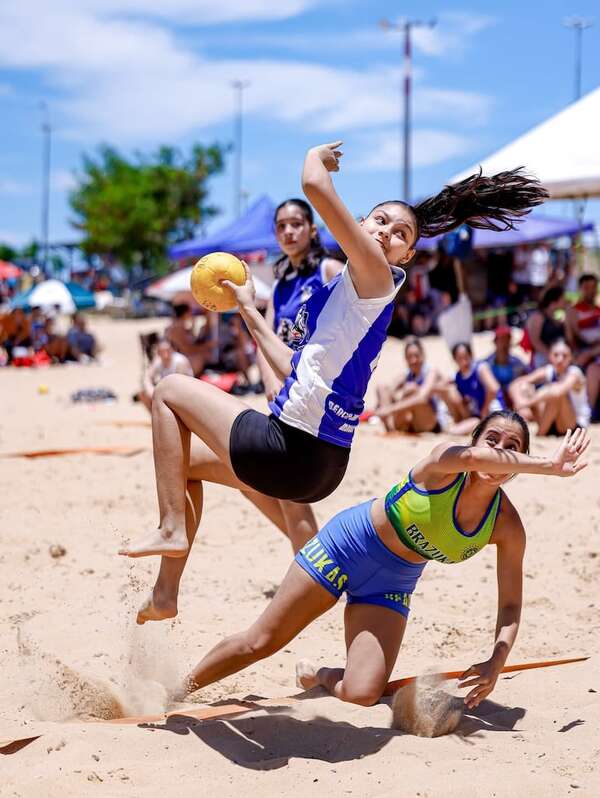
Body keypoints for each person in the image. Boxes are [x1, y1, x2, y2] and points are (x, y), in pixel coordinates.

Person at [119, 140, 547, 564]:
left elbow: (314, 184)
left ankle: (173, 527)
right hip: (320, 462)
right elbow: (294, 366)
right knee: (184, 466)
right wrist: (248, 308)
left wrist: (315, 158)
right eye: (380, 221)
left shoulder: (377, 276)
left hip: (295, 447)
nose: (386, 233)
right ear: (362, 223)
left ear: (409, 255)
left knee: (170, 389)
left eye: (400, 234)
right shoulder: (349, 293)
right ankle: (165, 593)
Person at [176, 413, 589, 710]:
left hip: (392, 580)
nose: (499, 451)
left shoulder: (506, 524)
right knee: (260, 642)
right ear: (474, 443)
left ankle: (319, 674)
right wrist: (550, 466)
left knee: (362, 694)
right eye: (492, 440)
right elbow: (470, 460)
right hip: (348, 544)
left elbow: (512, 605)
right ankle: (176, 691)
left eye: (512, 448)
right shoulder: (443, 463)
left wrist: (497, 661)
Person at [509, 339, 591, 436]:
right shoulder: (549, 370)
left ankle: (540, 434)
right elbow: (515, 384)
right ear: (550, 356)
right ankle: (541, 430)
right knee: (526, 387)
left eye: (564, 356)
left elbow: (558, 391)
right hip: (552, 422)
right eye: (556, 355)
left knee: (556, 395)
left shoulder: (574, 373)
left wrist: (526, 403)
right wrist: (519, 401)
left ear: (570, 358)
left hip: (573, 426)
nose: (560, 359)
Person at [374, 337, 447, 432]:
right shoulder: (407, 374)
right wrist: (381, 405)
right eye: (410, 357)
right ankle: (390, 427)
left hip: (433, 422)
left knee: (411, 389)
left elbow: (422, 397)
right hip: (414, 420)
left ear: (423, 355)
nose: (413, 360)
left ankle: (391, 425)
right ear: (405, 359)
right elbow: (389, 389)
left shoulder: (431, 372)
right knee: (382, 387)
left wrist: (389, 409)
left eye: (416, 356)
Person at [443, 341, 505, 435]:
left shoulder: (480, 368)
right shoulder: (458, 376)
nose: (464, 362)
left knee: (456, 431)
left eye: (466, 357)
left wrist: (484, 410)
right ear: (455, 360)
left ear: (471, 356)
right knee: (452, 392)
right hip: (477, 415)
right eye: (460, 358)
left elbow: (494, 389)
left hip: (492, 412)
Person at [138, 338, 193, 412]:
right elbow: (147, 377)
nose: (165, 354)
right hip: (168, 389)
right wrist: (150, 390)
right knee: (143, 394)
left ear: (173, 350)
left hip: (184, 391)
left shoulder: (180, 362)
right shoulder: (158, 361)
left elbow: (180, 385)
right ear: (158, 352)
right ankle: (156, 418)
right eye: (162, 351)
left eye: (167, 350)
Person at [165, 302, 214, 377]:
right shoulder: (178, 327)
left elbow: (191, 341)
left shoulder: (179, 324)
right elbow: (186, 349)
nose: (192, 313)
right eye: (190, 311)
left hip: (181, 356)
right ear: (185, 313)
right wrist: (206, 347)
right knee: (204, 356)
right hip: (179, 360)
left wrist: (193, 325)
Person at [484, 326, 528, 406]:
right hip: (494, 401)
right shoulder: (486, 364)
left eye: (507, 340)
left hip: (514, 399)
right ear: (495, 342)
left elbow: (526, 376)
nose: (504, 343)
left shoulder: (518, 363)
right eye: (501, 340)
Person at [523, 286, 565, 368]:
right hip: (542, 358)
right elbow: (535, 341)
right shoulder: (538, 317)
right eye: (562, 298)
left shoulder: (555, 318)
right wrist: (551, 356)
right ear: (554, 300)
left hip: (558, 357)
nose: (565, 301)